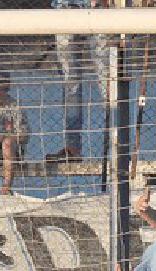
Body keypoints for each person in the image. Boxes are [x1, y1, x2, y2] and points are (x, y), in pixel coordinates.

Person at [44, 0, 111, 163]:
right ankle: (72, 148)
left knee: (108, 80)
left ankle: (118, 143)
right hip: (65, 8)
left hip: (100, 8)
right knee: (70, 84)